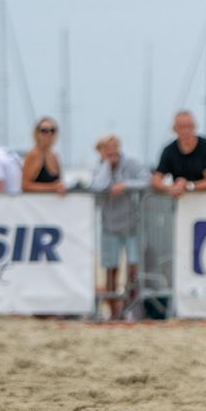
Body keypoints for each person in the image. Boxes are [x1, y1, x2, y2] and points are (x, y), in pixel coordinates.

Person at [90, 135, 151, 319]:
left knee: (134, 268)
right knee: (110, 268)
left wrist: (125, 185)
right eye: (107, 148)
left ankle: (129, 307)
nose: (111, 151)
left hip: (133, 225)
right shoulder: (100, 169)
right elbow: (97, 186)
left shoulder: (132, 164)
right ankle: (113, 311)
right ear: (101, 152)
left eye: (114, 147)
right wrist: (107, 166)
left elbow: (147, 180)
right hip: (109, 225)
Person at [152, 111, 206, 198]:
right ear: (174, 129)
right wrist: (170, 188)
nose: (186, 131)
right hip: (181, 202)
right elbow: (156, 180)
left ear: (194, 127)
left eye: (189, 126)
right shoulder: (169, 150)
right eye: (181, 127)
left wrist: (189, 185)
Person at [21, 117, 67, 194]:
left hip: (52, 201)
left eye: (52, 130)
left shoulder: (54, 156)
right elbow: (25, 186)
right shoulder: (34, 154)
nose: (49, 134)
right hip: (36, 201)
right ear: (37, 133)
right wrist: (52, 187)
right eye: (44, 131)